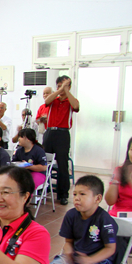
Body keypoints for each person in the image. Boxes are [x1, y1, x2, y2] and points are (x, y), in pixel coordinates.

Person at [42, 75, 80, 205]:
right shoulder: (54, 99)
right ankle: (44, 188)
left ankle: (63, 194)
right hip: (50, 133)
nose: (61, 88)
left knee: (62, 164)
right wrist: (59, 90)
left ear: (69, 87)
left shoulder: (71, 100)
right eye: (58, 86)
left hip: (63, 134)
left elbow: (76, 106)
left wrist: (66, 90)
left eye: (63, 86)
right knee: (44, 161)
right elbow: (47, 101)